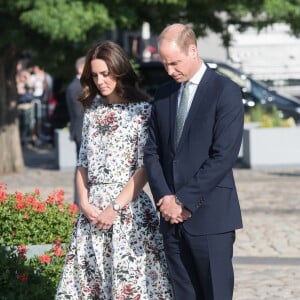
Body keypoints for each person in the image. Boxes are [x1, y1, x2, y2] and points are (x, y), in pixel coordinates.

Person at [56, 40, 173, 299]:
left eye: (105, 74)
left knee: (132, 286)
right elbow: (82, 163)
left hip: (128, 210)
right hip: (92, 214)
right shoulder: (92, 113)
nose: (100, 81)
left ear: (119, 71)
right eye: (95, 75)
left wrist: (115, 208)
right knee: (89, 287)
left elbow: (144, 167)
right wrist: (84, 204)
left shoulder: (143, 111)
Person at [143, 23, 244, 300]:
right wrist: (165, 198)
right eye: (164, 64)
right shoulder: (163, 94)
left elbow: (223, 156)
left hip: (211, 218)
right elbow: (151, 152)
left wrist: (184, 200)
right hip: (171, 220)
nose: (169, 70)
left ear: (193, 50)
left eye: (174, 63)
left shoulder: (226, 91)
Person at [66, 56, 85, 158]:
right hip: (81, 131)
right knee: (82, 166)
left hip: (82, 131)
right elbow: (79, 112)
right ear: (80, 69)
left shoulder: (79, 86)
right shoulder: (77, 87)